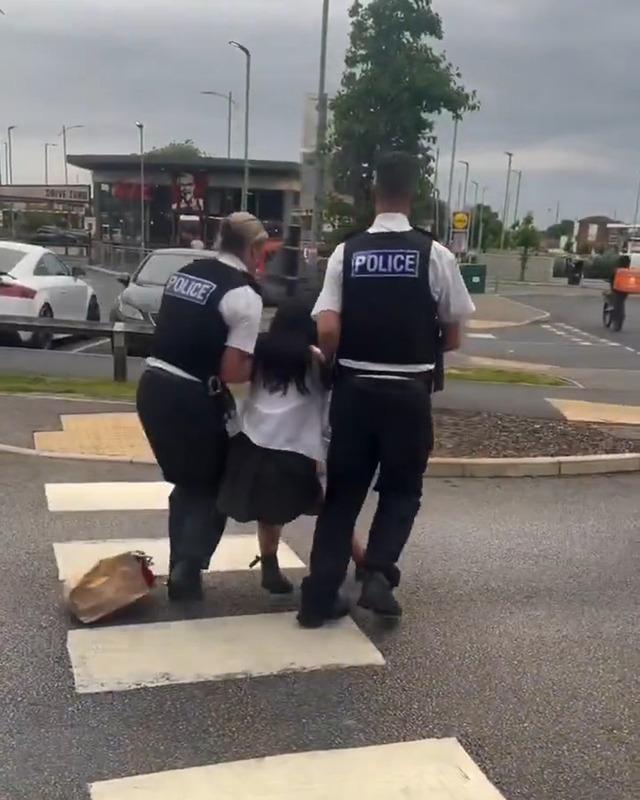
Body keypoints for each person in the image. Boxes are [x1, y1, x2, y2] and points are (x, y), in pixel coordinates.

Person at [298, 151, 476, 629]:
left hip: (354, 391)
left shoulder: (347, 251)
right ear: (412, 194)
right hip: (408, 393)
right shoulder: (436, 254)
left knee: (342, 495)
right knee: (400, 489)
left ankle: (318, 597)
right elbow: (453, 335)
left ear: (374, 193)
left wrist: (335, 363)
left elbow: (328, 328)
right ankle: (377, 572)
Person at [136, 212, 267, 601]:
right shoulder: (243, 294)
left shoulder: (186, 272)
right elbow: (232, 370)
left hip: (152, 386)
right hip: (190, 395)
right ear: (255, 248)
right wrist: (274, 363)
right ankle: (187, 568)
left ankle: (183, 562)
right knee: (214, 483)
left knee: (191, 481)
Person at [217, 300, 365, 595]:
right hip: (295, 452)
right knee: (329, 509)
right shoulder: (316, 361)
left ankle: (270, 567)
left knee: (269, 513)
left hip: (252, 445)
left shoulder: (261, 353)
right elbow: (328, 406)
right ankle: (363, 563)